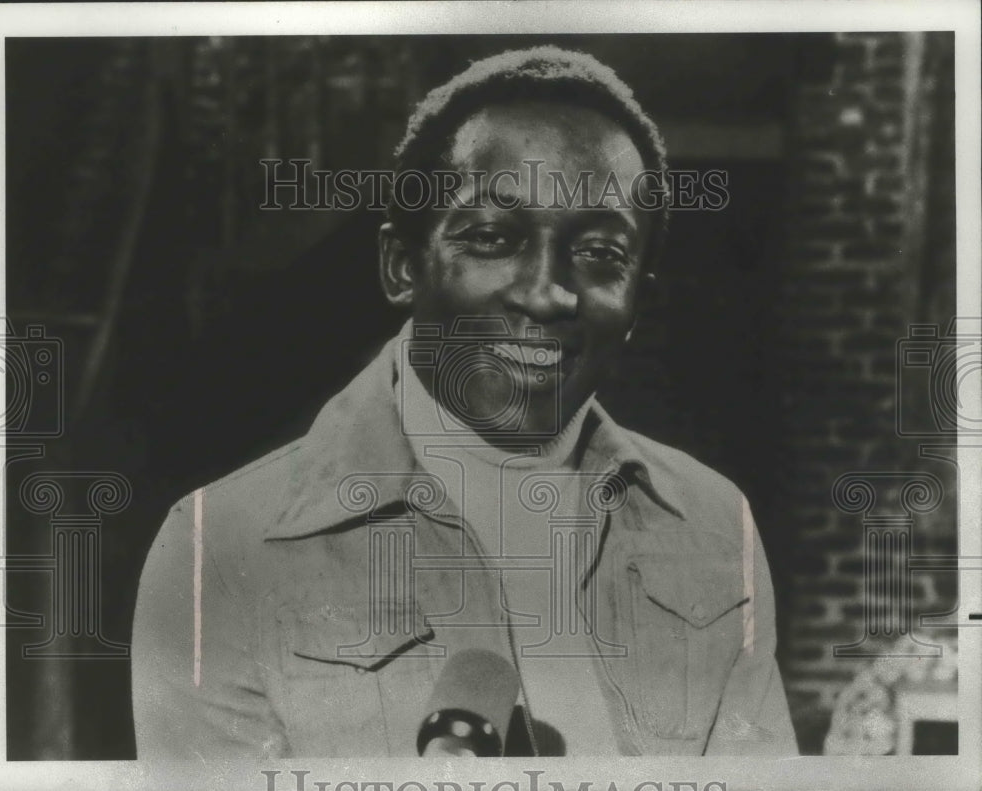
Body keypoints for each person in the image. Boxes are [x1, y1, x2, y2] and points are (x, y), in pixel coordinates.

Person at [132, 45, 798, 758]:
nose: (547, 293)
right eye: (491, 237)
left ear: (638, 302)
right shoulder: (219, 550)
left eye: (601, 253)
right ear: (401, 266)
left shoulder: (714, 525)